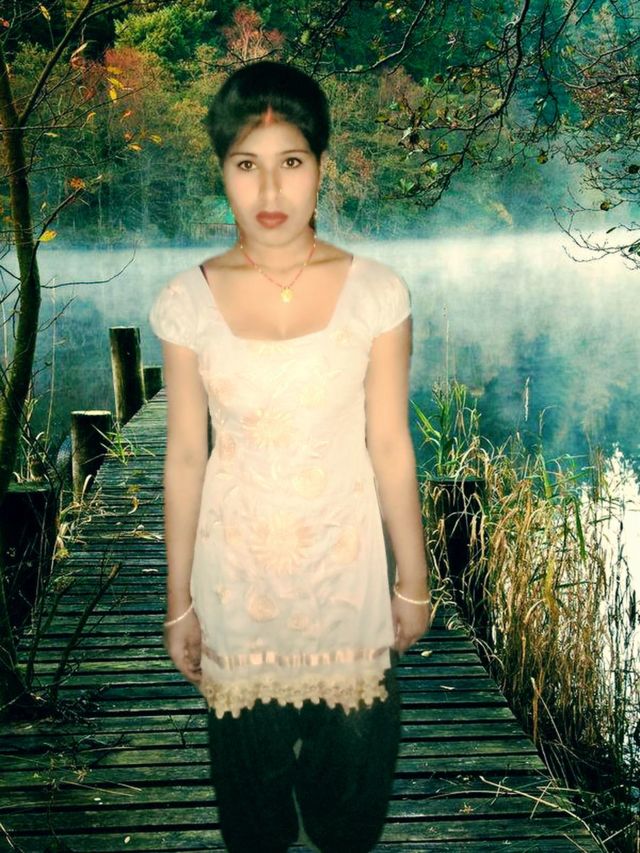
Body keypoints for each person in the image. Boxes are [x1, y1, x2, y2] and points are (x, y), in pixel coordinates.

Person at [148, 60, 432, 853]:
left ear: (322, 167)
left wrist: (413, 581)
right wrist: (179, 601)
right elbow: (185, 456)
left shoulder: (377, 292)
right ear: (223, 172)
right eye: (247, 164)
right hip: (237, 583)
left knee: (353, 800)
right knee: (253, 812)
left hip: (345, 577)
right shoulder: (186, 301)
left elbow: (389, 442)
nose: (270, 190)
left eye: (291, 161)